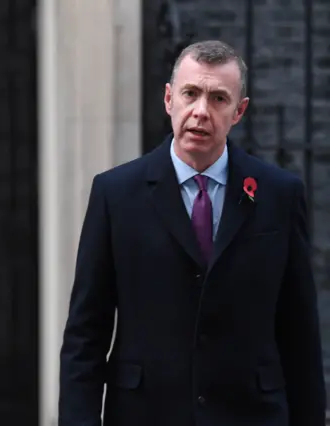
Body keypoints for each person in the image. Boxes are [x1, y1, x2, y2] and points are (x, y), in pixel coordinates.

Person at [59, 40, 326, 426]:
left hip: (252, 414)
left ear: (239, 111)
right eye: (191, 94)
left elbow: (299, 333)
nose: (201, 111)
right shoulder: (116, 194)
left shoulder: (279, 194)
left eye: (218, 98)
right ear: (169, 99)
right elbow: (86, 334)